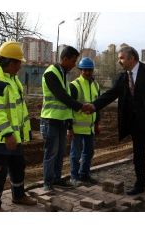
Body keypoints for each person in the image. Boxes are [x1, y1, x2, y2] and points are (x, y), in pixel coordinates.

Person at [89, 46, 145, 204]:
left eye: (121, 58)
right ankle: (139, 185)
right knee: (138, 156)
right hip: (136, 125)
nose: (119, 61)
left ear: (132, 58)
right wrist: (94, 106)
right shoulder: (122, 78)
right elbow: (111, 94)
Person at [0, 41, 37, 212]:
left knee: (18, 166)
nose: (20, 66)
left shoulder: (12, 80)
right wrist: (7, 134)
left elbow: (18, 111)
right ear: (9, 62)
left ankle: (18, 196)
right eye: (18, 62)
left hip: (14, 137)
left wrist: (21, 133)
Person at [40, 46, 93, 191]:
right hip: (50, 120)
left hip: (62, 120)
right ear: (64, 59)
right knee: (51, 152)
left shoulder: (64, 74)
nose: (74, 64)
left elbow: (66, 102)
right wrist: (81, 107)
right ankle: (47, 182)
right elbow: (62, 97)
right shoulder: (50, 73)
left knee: (60, 152)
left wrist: (69, 123)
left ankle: (57, 179)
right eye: (73, 61)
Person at [68, 57, 100, 186]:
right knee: (75, 154)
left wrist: (97, 124)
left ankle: (84, 175)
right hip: (77, 127)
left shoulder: (96, 85)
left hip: (90, 128)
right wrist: (69, 127)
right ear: (80, 70)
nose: (87, 72)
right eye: (85, 70)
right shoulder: (74, 85)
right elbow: (69, 109)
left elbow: (98, 106)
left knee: (89, 152)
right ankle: (74, 177)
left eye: (89, 70)